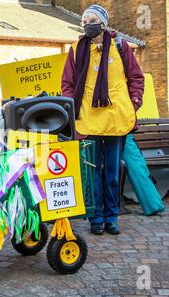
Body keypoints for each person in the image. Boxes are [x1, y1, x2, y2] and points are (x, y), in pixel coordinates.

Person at [62, 5, 144, 235]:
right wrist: (71, 106)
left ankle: (112, 217)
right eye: (84, 20)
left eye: (92, 19)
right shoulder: (77, 48)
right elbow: (67, 83)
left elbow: (136, 77)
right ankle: (95, 217)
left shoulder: (121, 46)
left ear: (103, 23)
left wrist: (133, 102)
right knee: (93, 170)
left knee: (112, 170)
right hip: (88, 119)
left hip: (116, 119)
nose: (87, 23)